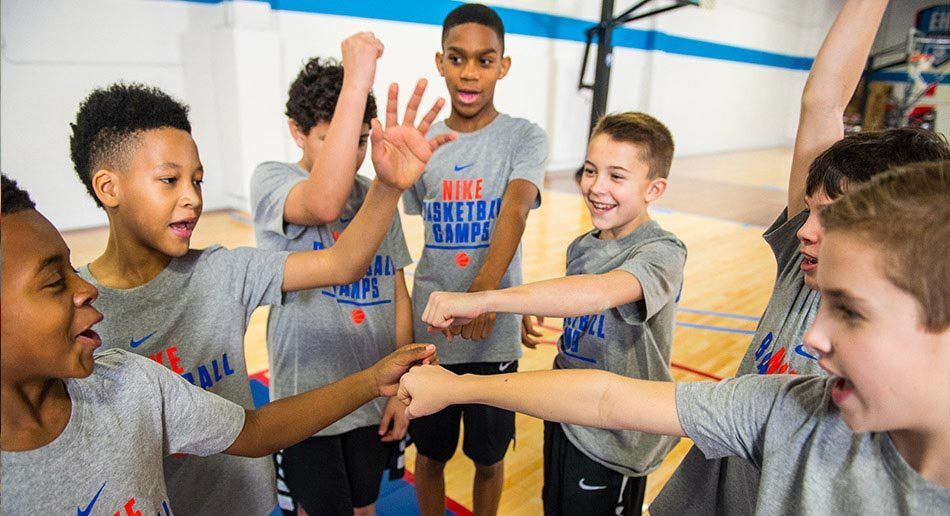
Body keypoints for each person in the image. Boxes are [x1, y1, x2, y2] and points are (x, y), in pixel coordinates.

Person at [399, 161, 950, 515]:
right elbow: (606, 397)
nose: (815, 336)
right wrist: (456, 388)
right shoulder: (792, 409)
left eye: (851, 311)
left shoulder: (663, 251)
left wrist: (485, 301)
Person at [68, 77, 452, 514]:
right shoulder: (75, 310)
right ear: (108, 187)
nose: (192, 198)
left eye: (197, 181)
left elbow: (341, 263)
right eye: (169, 180)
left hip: (246, 501)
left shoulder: (222, 271)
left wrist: (387, 187)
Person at [653, 1, 950, 513]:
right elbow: (823, 102)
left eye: (834, 219)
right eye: (811, 212)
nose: (806, 231)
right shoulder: (803, 256)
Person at [0, 174, 438, 514]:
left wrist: (370, 381)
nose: (85, 289)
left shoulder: (128, 380)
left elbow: (256, 429)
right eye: (57, 280)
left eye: (199, 179)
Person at [421, 112, 684, 515]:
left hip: (614, 437)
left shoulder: (662, 252)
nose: (597, 187)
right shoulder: (582, 247)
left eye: (617, 176)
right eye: (591, 170)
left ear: (655, 188)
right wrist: (533, 306)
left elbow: (599, 293)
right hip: (565, 416)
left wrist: (485, 298)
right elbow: (576, 302)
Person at [249, 33, 418, 516]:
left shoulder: (377, 189)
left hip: (374, 392)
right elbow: (322, 202)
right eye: (336, 138)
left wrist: (403, 385)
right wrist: (358, 77)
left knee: (365, 508)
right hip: (309, 403)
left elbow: (397, 289)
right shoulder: (273, 180)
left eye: (362, 140)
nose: (353, 153)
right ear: (297, 131)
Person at [400, 4, 548, 515]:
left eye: (485, 61)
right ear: (440, 61)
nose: (469, 72)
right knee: (431, 453)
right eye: (458, 59)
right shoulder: (425, 144)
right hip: (433, 331)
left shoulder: (524, 137)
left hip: (494, 330)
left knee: (488, 457)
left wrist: (485, 297)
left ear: (503, 67)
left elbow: (515, 211)